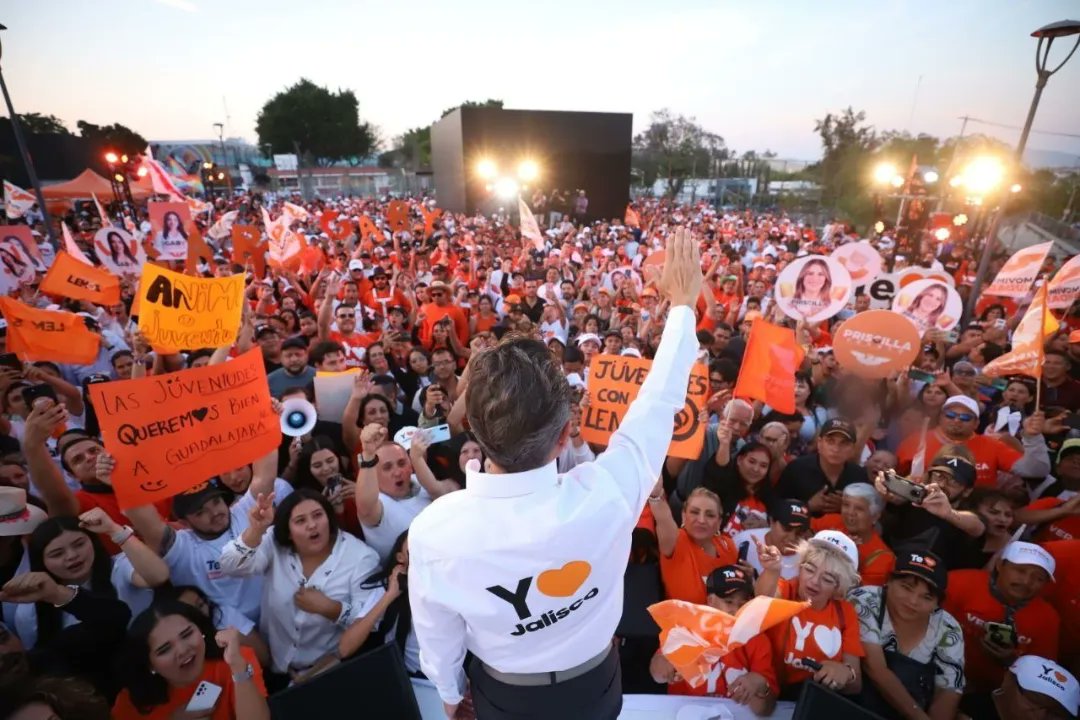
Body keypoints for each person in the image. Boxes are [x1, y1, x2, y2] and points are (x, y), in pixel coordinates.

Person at [407, 229, 702, 719]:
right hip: (596, 688)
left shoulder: (437, 529)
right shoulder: (607, 494)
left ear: (475, 432)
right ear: (567, 433)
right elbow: (659, 403)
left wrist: (451, 693)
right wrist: (683, 305)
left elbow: (439, 638)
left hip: (504, 698)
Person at [218, 489, 381, 684]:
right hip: (274, 670)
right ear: (287, 532)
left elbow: (372, 622)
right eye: (300, 521)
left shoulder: (361, 557)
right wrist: (255, 531)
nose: (312, 525)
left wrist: (332, 608)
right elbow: (229, 566)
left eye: (318, 515)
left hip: (328, 673)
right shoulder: (273, 542)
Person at [942, 541, 1060, 716]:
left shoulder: (1048, 618)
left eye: (1039, 578)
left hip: (993, 699)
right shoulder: (957, 583)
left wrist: (1012, 662)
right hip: (938, 673)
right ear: (999, 565)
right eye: (1020, 571)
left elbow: (1042, 679)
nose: (1027, 582)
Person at [849, 549, 965, 720]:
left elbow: (949, 690)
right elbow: (875, 668)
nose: (913, 601)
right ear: (888, 581)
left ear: (937, 604)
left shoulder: (949, 628)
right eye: (906, 587)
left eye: (927, 597)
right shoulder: (864, 599)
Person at [648, 565, 778, 714]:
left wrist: (760, 685)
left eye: (742, 604)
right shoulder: (685, 627)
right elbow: (657, 675)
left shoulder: (757, 638)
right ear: (710, 600)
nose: (735, 609)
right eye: (728, 602)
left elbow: (765, 711)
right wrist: (666, 663)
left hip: (737, 714)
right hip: (686, 712)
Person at [111, 601, 269, 720]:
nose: (183, 650)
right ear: (150, 664)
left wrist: (238, 668)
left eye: (187, 634)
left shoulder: (237, 659)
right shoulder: (130, 701)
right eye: (165, 649)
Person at [755, 529, 865, 699]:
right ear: (799, 567)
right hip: (770, 697)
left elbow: (856, 685)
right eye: (810, 569)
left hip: (816, 701)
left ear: (839, 589)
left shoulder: (845, 612)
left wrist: (845, 673)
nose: (814, 581)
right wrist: (772, 571)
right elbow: (761, 602)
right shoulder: (785, 590)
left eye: (827, 579)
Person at [896, 395, 1051, 487]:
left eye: (965, 417)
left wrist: (1033, 437)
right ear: (940, 417)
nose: (956, 420)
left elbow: (1036, 471)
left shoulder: (992, 445)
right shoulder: (915, 441)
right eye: (950, 415)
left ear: (976, 423)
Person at [355, 427, 433, 563]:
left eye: (402, 463)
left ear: (410, 465)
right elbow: (364, 507)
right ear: (375, 475)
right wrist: (368, 455)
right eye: (387, 467)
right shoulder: (379, 504)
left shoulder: (421, 481)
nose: (397, 472)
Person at [652, 487, 738, 603]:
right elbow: (663, 519)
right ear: (683, 515)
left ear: (719, 522)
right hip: (680, 620)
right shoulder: (675, 541)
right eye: (694, 512)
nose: (702, 520)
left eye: (710, 515)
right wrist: (655, 496)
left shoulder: (728, 546)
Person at [776, 418, 866, 515]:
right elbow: (776, 509)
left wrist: (846, 507)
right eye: (830, 441)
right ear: (819, 443)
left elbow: (870, 515)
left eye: (844, 443)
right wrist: (808, 506)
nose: (836, 449)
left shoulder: (859, 476)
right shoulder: (797, 469)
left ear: (852, 448)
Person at [814, 483, 896, 586]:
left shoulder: (884, 558)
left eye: (859, 508)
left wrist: (849, 556)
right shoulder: (830, 521)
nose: (850, 512)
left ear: (875, 516)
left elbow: (860, 595)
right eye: (846, 505)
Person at [733, 499, 812, 581]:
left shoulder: (808, 560)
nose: (792, 537)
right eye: (787, 528)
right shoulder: (743, 540)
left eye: (800, 532)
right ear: (771, 521)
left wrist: (755, 579)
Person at [982, 655, 1079, 720]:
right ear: (1008, 681)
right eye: (1035, 701)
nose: (1041, 716)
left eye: (1055, 712)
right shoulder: (968, 711)